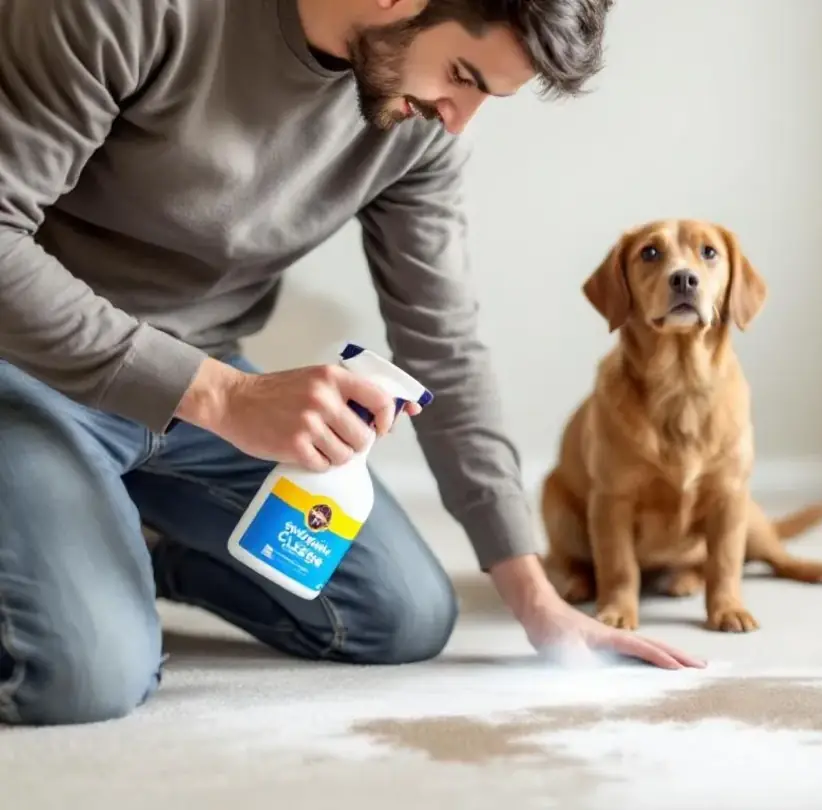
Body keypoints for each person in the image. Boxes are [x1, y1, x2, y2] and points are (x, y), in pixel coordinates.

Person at [0, 0, 703, 727]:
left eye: (485, 95)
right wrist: (221, 396)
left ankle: (120, 541)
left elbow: (444, 345)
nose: (457, 119)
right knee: (84, 679)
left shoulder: (423, 125)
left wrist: (536, 600)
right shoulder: (125, 12)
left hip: (203, 384)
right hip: (26, 369)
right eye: (462, 74)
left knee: (401, 616)